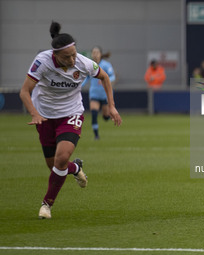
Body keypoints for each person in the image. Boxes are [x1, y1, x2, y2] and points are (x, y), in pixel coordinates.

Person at [19, 21, 122, 219]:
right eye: (68, 56)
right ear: (55, 55)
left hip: (71, 113)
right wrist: (34, 113)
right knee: (55, 167)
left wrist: (112, 105)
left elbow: (105, 78)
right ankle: (76, 168)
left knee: (61, 158)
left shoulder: (83, 63)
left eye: (75, 54)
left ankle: (46, 205)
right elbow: (25, 91)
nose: (73, 59)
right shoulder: (42, 62)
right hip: (45, 116)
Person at [82, 46, 116, 140]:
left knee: (105, 117)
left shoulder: (106, 65)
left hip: (105, 94)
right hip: (94, 94)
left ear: (101, 54)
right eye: (93, 52)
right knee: (94, 114)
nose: (95, 54)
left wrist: (105, 79)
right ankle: (96, 136)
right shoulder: (89, 65)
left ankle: (106, 116)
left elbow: (113, 77)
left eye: (97, 52)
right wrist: (78, 86)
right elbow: (86, 79)